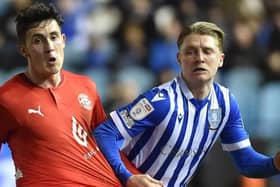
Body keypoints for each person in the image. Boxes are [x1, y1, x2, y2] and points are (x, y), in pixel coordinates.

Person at [93, 21, 280, 187]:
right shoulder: (162, 101)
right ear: (179, 59)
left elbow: (246, 162)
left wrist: (275, 164)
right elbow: (106, 132)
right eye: (190, 52)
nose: (199, 58)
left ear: (221, 60)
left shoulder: (225, 103)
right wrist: (128, 177)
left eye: (207, 51)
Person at [0, 2, 123, 187]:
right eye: (38, 40)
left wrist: (129, 177)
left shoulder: (86, 86)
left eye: (54, 37)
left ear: (63, 41)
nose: (49, 46)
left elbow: (105, 145)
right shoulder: (7, 99)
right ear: (23, 50)